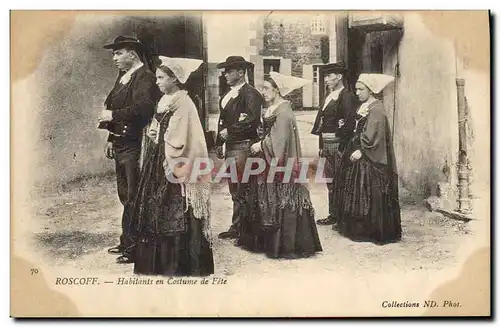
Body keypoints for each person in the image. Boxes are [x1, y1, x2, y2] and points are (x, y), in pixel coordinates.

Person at [130, 56, 214, 276]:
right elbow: (159, 127)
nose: (157, 82)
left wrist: (163, 142)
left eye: (161, 77)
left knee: (174, 202)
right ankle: (158, 263)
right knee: (154, 204)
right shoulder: (165, 99)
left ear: (174, 79)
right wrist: (154, 133)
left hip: (174, 159)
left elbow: (180, 136)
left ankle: (180, 263)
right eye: (157, 77)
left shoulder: (183, 102)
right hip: (160, 156)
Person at [241, 72, 323, 259]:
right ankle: (268, 242)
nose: (263, 92)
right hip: (268, 161)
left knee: (283, 196)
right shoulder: (273, 109)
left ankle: (286, 245)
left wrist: (261, 144)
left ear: (277, 90)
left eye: (267, 88)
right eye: (262, 88)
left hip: (281, 161)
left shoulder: (284, 111)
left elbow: (280, 141)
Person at [98, 36, 162, 264]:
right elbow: (115, 106)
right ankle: (128, 240)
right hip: (121, 142)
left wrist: (113, 116)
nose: (114, 58)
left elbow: (143, 108)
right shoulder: (124, 77)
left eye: (118, 53)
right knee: (125, 195)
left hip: (137, 144)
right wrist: (110, 137)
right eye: (114, 54)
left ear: (132, 54)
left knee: (135, 195)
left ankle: (136, 248)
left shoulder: (145, 77)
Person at [334, 73, 402, 244]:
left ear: (370, 90)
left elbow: (373, 136)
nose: (357, 92)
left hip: (371, 158)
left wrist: (361, 150)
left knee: (370, 191)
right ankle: (358, 227)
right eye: (356, 89)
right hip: (359, 150)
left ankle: (372, 231)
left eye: (360, 89)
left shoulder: (377, 109)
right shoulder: (367, 106)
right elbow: (360, 128)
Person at [215, 56, 264, 240]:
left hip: (244, 146)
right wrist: (219, 142)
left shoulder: (251, 94)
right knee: (235, 187)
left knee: (244, 187)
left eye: (229, 71)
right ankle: (238, 226)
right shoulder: (227, 95)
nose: (225, 74)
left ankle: (246, 229)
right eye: (225, 71)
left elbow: (252, 121)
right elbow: (221, 121)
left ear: (241, 72)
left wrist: (231, 131)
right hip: (232, 147)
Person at [311, 62, 359, 227]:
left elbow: (349, 123)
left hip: (338, 144)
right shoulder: (328, 97)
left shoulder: (346, 96)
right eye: (325, 76)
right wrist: (321, 145)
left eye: (329, 76)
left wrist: (341, 147)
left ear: (339, 76)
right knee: (330, 181)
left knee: (341, 181)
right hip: (327, 144)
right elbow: (322, 122)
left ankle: (343, 217)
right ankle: (333, 215)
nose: (326, 80)